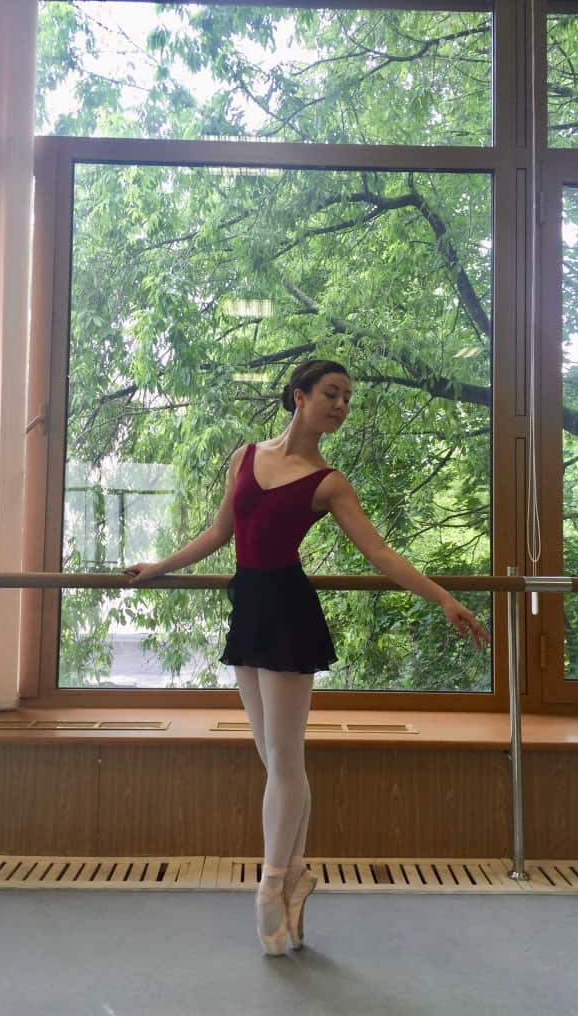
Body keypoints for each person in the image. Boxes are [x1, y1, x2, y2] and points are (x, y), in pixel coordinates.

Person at [125, 358, 490, 956]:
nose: (341, 405)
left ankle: (270, 886)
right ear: (299, 397)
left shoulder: (329, 482)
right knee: (273, 759)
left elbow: (380, 554)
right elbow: (220, 534)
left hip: (290, 614)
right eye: (331, 393)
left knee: (287, 760)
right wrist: (158, 566)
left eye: (347, 397)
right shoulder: (245, 456)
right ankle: (296, 876)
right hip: (248, 606)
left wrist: (445, 599)